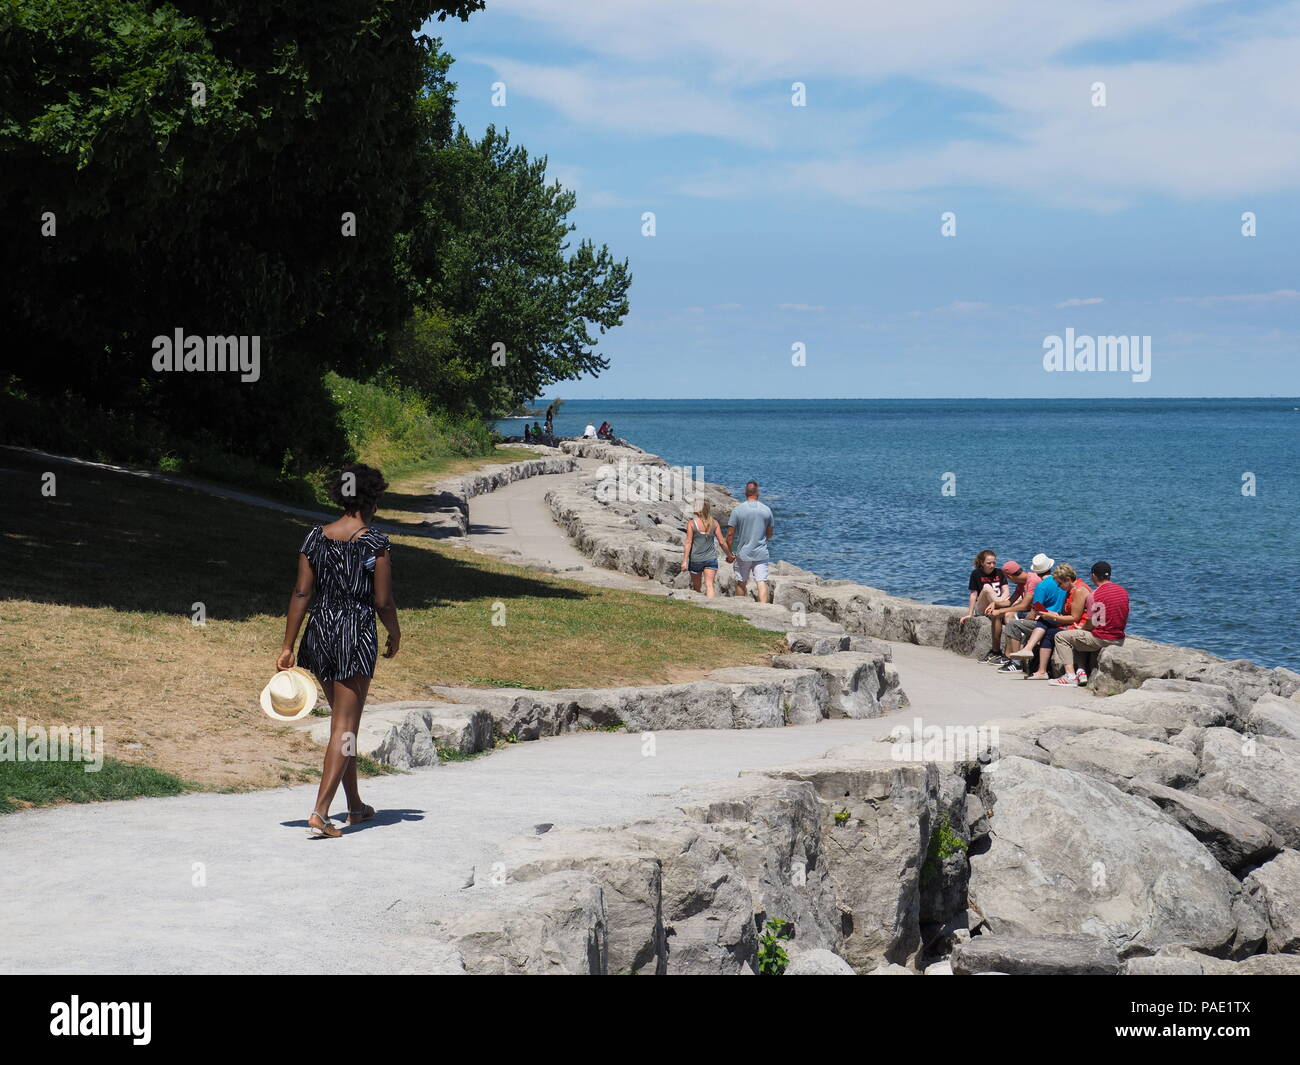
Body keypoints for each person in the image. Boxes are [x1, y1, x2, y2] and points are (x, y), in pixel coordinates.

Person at [278, 464, 400, 839]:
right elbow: (382, 601)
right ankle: (320, 812)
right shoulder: (373, 543)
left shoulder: (315, 537)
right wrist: (394, 633)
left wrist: (287, 645)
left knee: (341, 726)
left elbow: (302, 593)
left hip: (320, 634)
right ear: (371, 500)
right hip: (354, 635)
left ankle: (357, 806)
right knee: (345, 728)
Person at [1052, 561, 1130, 687]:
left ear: (1093, 576)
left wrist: (1081, 627)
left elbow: (1092, 622)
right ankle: (1081, 671)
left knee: (1061, 636)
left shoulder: (1094, 595)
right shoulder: (1123, 591)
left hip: (1102, 639)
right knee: (1078, 636)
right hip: (1119, 638)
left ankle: (1070, 676)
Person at [1008, 562, 1087, 679]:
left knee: (1046, 625)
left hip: (1079, 626)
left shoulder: (1078, 590)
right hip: (1072, 623)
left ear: (1068, 579)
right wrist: (1051, 614)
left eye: (1060, 583)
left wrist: (1052, 616)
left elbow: (1075, 618)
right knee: (1047, 626)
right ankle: (1041, 670)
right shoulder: (1070, 590)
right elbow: (1067, 613)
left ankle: (1032, 656)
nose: (1059, 587)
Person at [726, 480, 775, 604]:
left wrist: (729, 553)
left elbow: (730, 534)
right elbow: (769, 535)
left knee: (741, 582)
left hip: (743, 553)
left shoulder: (737, 510)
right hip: (761, 553)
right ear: (757, 492)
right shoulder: (767, 510)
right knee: (761, 582)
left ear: (745, 492)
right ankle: (764, 609)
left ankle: (741, 609)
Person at [961, 549, 1010, 661]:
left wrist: (999, 602)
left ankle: (1006, 653)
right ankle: (1001, 606)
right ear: (982, 563)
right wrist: (970, 614)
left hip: (998, 603)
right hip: (984, 605)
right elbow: (973, 595)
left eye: (994, 563)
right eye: (989, 563)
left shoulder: (999, 572)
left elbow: (1006, 591)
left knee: (1018, 598)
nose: (992, 565)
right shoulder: (976, 573)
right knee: (987, 588)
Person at [680, 498, 734, 597]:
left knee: (697, 587)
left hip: (696, 559)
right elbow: (722, 542)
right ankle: (712, 607)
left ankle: (700, 607)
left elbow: (688, 542)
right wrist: (729, 555)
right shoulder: (714, 523)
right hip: (711, 558)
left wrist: (684, 561)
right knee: (709, 585)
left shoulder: (692, 523)